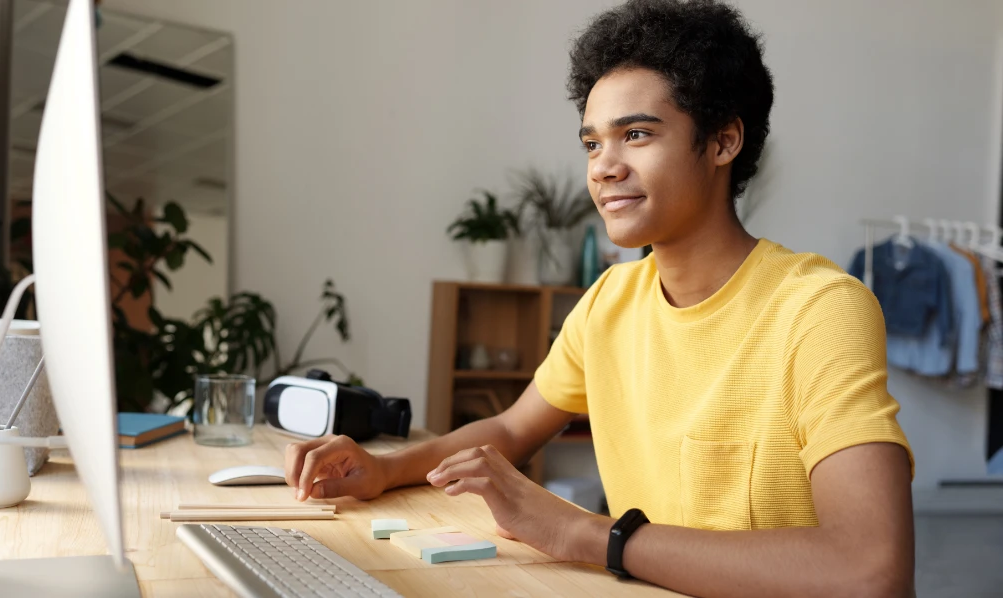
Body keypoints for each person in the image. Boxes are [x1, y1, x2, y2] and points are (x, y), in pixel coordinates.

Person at [285, 0, 915, 595]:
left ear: (724, 141)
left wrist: (586, 534)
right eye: (592, 142)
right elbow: (511, 427)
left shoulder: (820, 308)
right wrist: (384, 468)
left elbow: (869, 570)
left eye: (636, 134)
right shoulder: (611, 298)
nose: (603, 167)